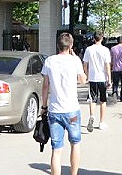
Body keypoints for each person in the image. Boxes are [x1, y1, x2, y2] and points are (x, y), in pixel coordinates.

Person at [41, 32, 87, 175]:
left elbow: (45, 86)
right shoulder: (75, 61)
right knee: (75, 144)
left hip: (55, 110)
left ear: (57, 45)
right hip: (72, 110)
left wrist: (44, 106)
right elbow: (83, 80)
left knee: (56, 149)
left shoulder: (49, 61)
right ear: (71, 45)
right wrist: (75, 58)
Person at [82, 32, 111, 132]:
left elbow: (85, 64)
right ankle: (102, 122)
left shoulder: (89, 49)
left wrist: (86, 75)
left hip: (92, 78)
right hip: (102, 78)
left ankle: (92, 115)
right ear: (102, 38)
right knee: (103, 101)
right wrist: (109, 79)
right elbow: (107, 65)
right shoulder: (105, 50)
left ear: (94, 39)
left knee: (92, 99)